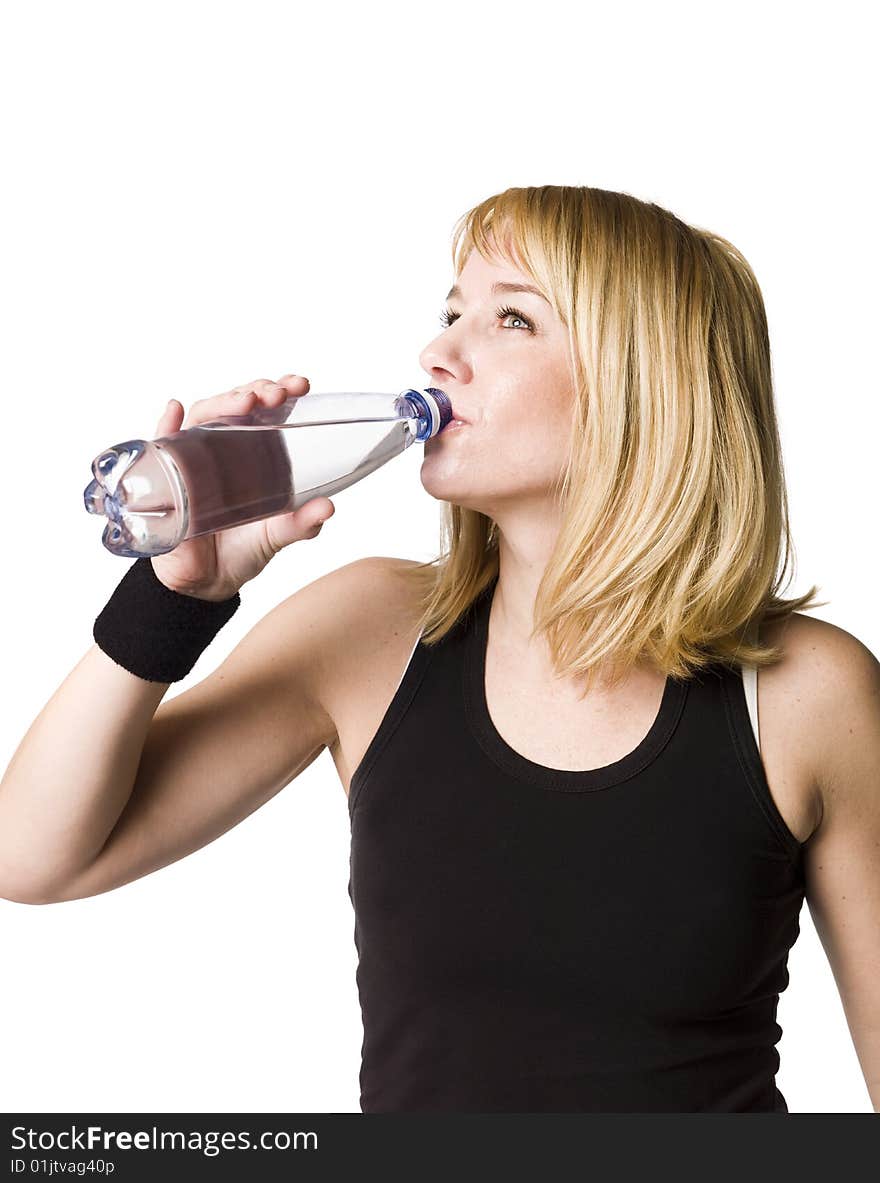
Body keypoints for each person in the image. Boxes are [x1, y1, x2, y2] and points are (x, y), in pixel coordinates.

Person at [1, 185, 878, 1114]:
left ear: (642, 380)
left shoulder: (802, 693)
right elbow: (34, 856)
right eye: (451, 310)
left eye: (511, 317)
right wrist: (175, 594)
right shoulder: (369, 633)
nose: (438, 351)